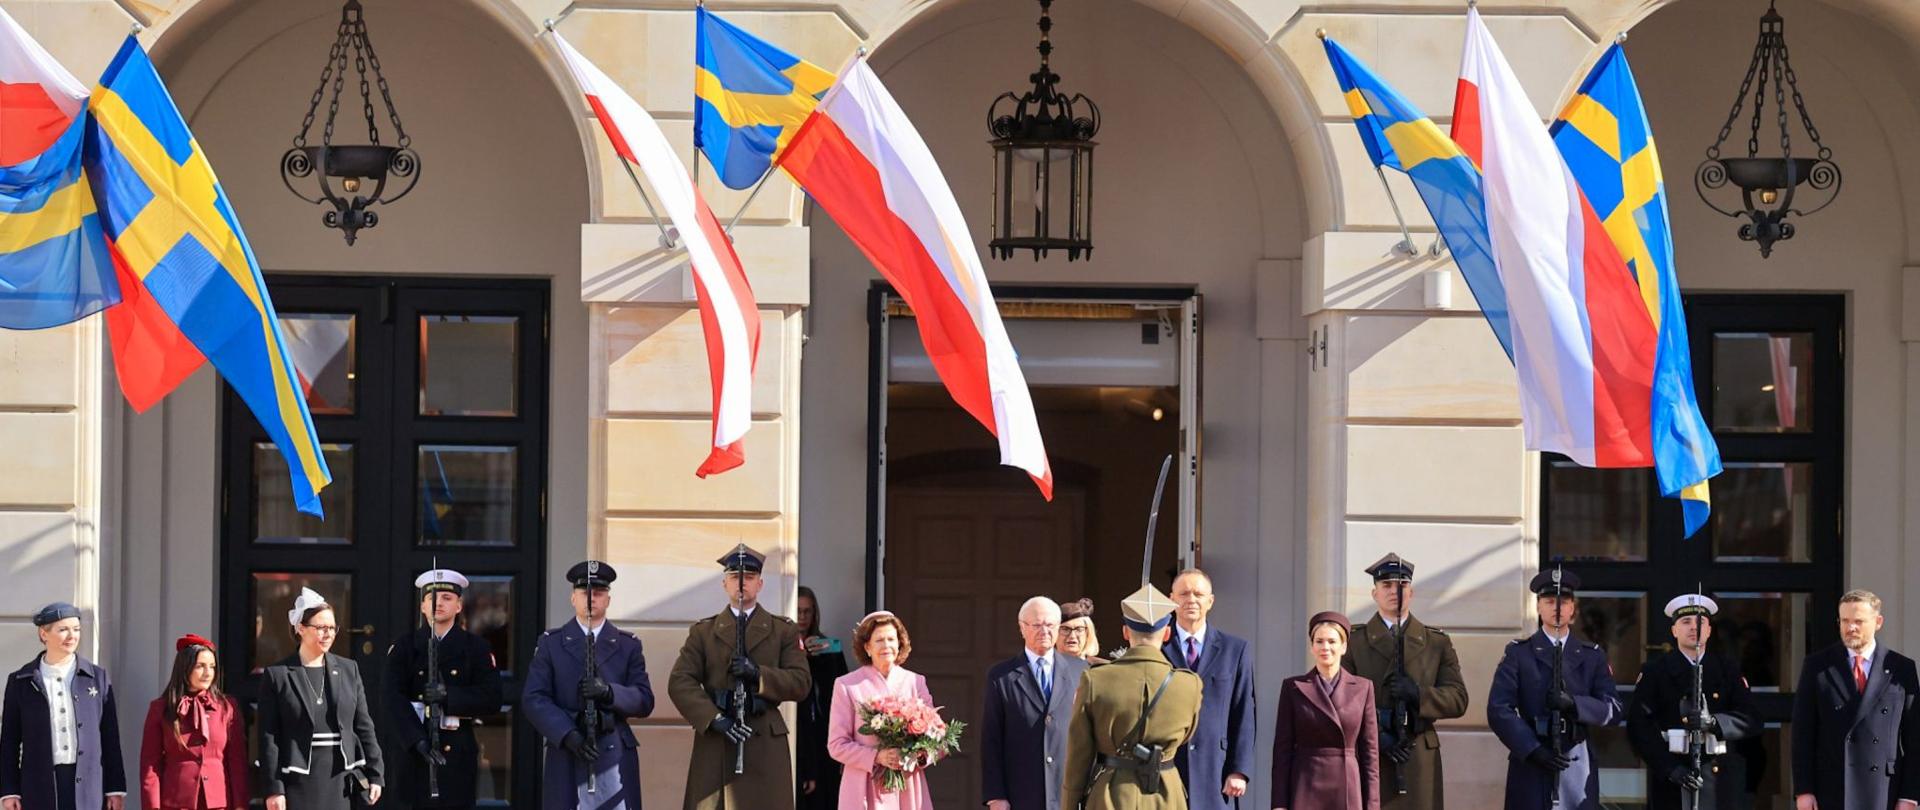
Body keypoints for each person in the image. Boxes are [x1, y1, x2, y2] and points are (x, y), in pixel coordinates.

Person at [670, 544, 813, 810]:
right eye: (735, 577)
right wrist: (713, 718)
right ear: (725, 583)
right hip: (718, 739)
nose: (741, 584)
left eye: (748, 577)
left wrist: (759, 675)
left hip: (763, 739)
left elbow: (801, 682)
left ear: (759, 584)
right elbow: (680, 681)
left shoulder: (783, 631)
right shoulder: (704, 632)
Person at [1487, 567, 1623, 810]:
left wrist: (1575, 704)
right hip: (1530, 762)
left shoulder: (1592, 656)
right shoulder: (1519, 654)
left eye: (1563, 602)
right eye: (1549, 601)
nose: (1557, 608)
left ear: (1573, 609)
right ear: (1538, 607)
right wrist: (1532, 749)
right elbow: (1499, 709)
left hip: (1575, 763)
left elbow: (1612, 709)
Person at [1340, 553, 1468, 810]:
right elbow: (1341, 699)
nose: (1394, 591)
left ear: (1411, 592)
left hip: (1418, 752)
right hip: (1371, 751)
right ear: (1374, 593)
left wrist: (1418, 695)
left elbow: (1458, 698)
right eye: (1386, 585)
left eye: (1402, 585)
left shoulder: (1436, 642)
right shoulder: (1355, 641)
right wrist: (1376, 734)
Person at [524, 561, 654, 810]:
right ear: (573, 598)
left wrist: (610, 692)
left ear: (608, 599)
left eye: (599, 593)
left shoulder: (628, 645)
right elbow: (534, 697)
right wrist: (567, 734)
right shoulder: (551, 643)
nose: (591, 599)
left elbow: (644, 700)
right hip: (567, 751)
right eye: (585, 593)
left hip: (612, 749)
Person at [1063, 584, 1202, 810]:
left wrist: (1069, 804)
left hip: (1110, 795)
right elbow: (1186, 735)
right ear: (1167, 633)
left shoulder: (1095, 680)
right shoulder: (1189, 684)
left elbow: (1079, 756)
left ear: (1126, 632)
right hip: (1166, 795)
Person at [382, 568, 503, 810]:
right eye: (432, 598)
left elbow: (491, 697)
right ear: (422, 606)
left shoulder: (475, 648)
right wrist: (417, 741)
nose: (438, 603)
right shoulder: (404, 648)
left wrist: (449, 696)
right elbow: (391, 699)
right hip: (413, 752)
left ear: (459, 606)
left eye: (447, 598)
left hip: (456, 752)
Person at [1626, 594, 1759, 810]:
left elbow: (1751, 718)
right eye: (1685, 622)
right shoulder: (1655, 671)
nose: (1693, 628)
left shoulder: (1727, 669)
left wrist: (1714, 722)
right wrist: (1669, 768)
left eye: (1700, 622)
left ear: (1709, 630)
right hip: (1672, 777)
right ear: (1674, 630)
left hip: (1717, 778)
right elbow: (1639, 726)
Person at [1790, 589, 1920, 810]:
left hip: (1884, 789)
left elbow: (1915, 738)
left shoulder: (1901, 668)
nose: (1851, 628)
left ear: (1878, 622)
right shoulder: (1817, 666)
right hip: (1832, 788)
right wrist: (1804, 790)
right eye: (1845, 621)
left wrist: (1910, 796)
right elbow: (1802, 734)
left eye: (1859, 621)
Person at [257, 588, 384, 809]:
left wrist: (376, 773)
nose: (329, 634)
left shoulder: (348, 669)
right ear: (300, 629)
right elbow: (269, 737)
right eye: (321, 628)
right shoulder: (278, 674)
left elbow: (364, 725)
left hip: (340, 776)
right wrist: (274, 788)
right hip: (298, 779)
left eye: (332, 628)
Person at [0, 602, 128, 810]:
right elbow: (9, 742)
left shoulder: (97, 678)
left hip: (88, 786)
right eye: (63, 630)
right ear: (44, 634)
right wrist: (9, 790)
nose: (72, 636)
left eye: (76, 629)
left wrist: (114, 788)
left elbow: (110, 737)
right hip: (38, 787)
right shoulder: (20, 682)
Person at [982, 596, 1088, 810]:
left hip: (1068, 793)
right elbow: (991, 740)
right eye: (1037, 625)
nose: (1044, 631)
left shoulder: (1081, 671)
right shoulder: (1001, 676)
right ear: (1022, 628)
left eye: (1050, 625)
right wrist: (996, 796)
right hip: (1021, 793)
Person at [1162, 568, 1256, 808]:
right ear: (1171, 599)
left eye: (1198, 594)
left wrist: (1239, 770)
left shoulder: (1235, 649)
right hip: (1167, 771)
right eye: (1183, 594)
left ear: (1210, 601)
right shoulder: (1157, 648)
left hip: (1217, 770)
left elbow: (1243, 712)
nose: (1191, 600)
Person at [1271, 611, 1381, 810]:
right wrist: (1279, 803)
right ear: (1312, 647)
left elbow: (1370, 754)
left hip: (1347, 786)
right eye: (1319, 641)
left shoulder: (1363, 688)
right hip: (1305, 784)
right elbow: (1282, 751)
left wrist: (1372, 805)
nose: (1325, 647)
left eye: (1332, 641)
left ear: (1344, 646)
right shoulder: (1293, 687)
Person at [828, 611, 935, 809]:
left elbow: (937, 736)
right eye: (879, 640)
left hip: (907, 788)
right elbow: (836, 745)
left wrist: (916, 755)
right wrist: (877, 756)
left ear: (899, 644)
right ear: (867, 647)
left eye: (891, 639)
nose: (886, 646)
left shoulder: (915, 681)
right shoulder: (847, 685)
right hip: (863, 787)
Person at [139, 634, 248, 810]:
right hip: (175, 802)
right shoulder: (160, 709)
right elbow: (150, 765)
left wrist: (240, 805)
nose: (208, 673)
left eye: (212, 667)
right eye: (200, 666)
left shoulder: (227, 707)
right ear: (185, 667)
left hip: (219, 803)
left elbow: (237, 762)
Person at [797, 586, 850, 810]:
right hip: (796, 734)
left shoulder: (829, 648)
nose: (802, 617)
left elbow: (845, 698)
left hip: (825, 735)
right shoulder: (780, 650)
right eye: (797, 611)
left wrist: (818, 658)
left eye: (807, 612)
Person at [1059, 598, 1107, 666]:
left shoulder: (1102, 668)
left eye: (1079, 629)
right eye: (1065, 629)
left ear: (1088, 633)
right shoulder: (1043, 668)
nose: (1072, 635)